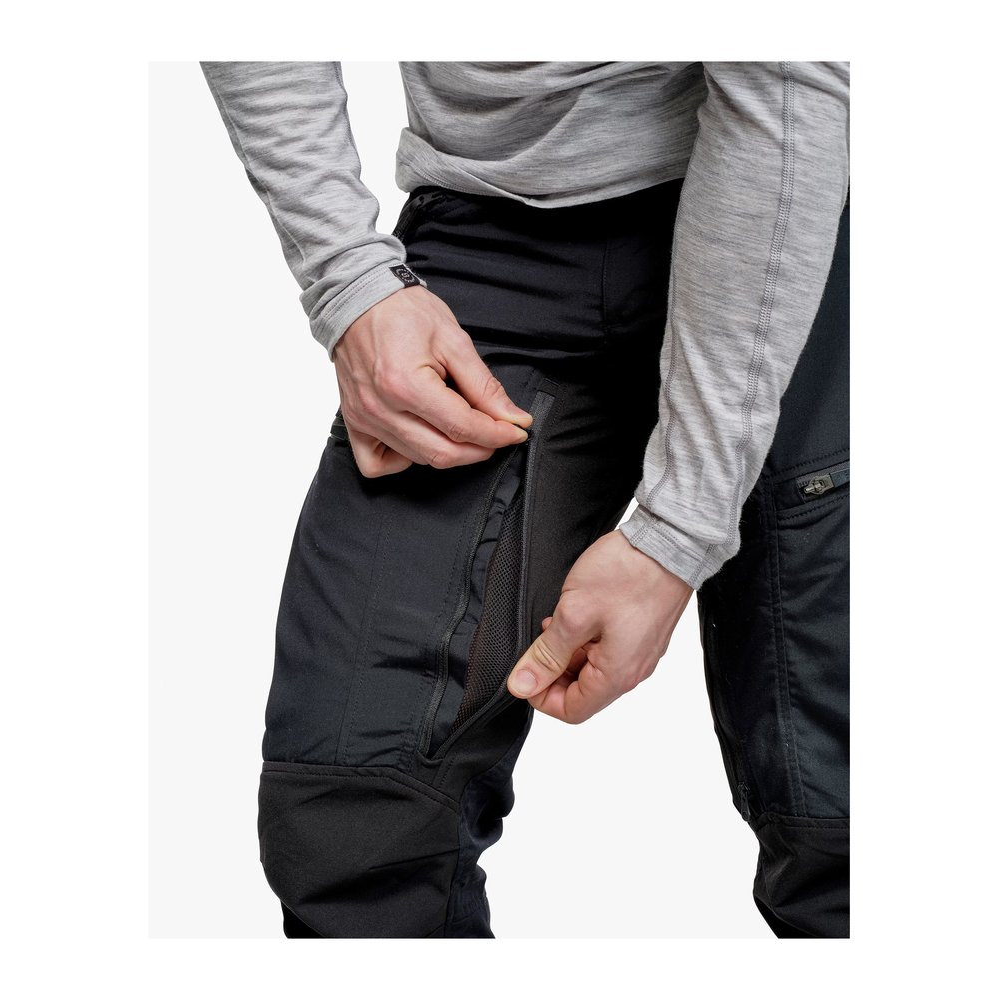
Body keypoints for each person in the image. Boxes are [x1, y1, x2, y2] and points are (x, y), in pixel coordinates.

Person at [200, 60, 850, 938]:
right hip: (495, 215)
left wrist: (677, 532)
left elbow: (788, 78)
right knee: (355, 818)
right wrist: (349, 279)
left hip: (802, 199)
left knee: (849, 834)